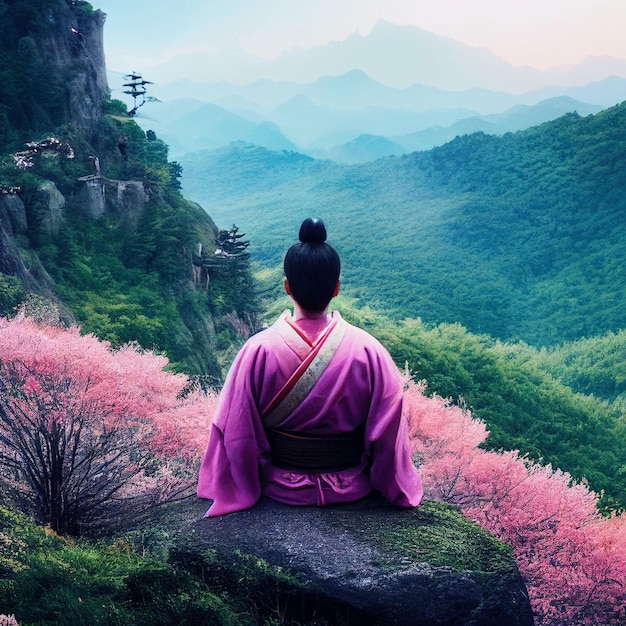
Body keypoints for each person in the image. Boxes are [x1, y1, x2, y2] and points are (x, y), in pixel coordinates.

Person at [197, 217, 423, 516]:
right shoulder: (370, 352)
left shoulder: (257, 351)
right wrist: (392, 488)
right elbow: (388, 435)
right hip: (353, 485)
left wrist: (245, 482)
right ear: (337, 288)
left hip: (280, 485)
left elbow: (236, 431)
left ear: (287, 287)